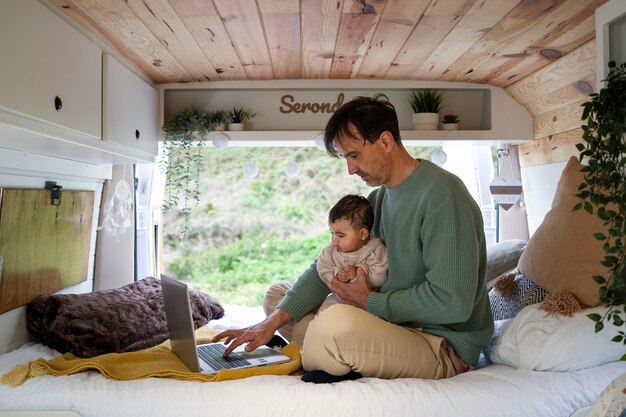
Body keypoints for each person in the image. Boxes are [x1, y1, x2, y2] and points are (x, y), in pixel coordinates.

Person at [213, 94, 494, 384]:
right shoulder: (378, 199)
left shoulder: (443, 197)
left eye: (354, 155)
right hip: (389, 325)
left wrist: (369, 301)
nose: (350, 169)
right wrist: (269, 324)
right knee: (278, 297)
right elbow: (330, 263)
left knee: (334, 322)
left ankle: (324, 351)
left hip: (439, 345)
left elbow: (453, 303)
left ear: (385, 141)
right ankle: (329, 349)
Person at [316, 194, 387, 312]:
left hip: (366, 304)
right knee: (325, 311)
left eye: (340, 235)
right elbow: (322, 266)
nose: (334, 240)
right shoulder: (331, 250)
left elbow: (380, 277)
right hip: (340, 298)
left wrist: (360, 271)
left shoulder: (375, 249)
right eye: (332, 233)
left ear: (363, 234)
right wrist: (337, 273)